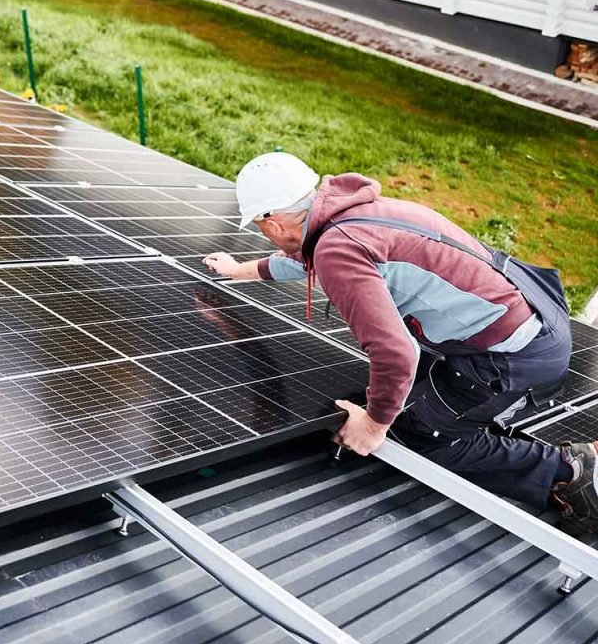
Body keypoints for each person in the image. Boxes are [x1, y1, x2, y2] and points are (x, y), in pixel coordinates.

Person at [203, 151, 598, 535]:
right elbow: (305, 256)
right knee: (410, 392)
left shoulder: (337, 248)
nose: (263, 234)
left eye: (258, 225)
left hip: (513, 357)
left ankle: (570, 472)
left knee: (423, 436)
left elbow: (395, 352)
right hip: (530, 317)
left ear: (272, 223)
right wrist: (241, 270)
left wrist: (374, 427)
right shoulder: (351, 214)